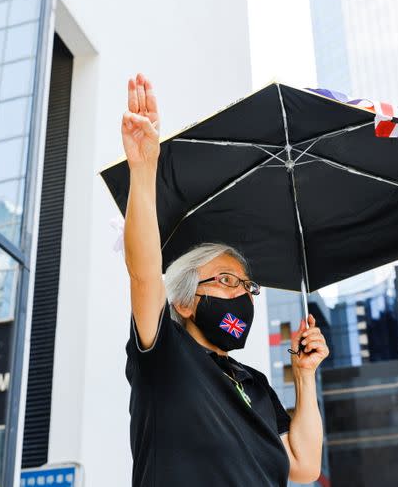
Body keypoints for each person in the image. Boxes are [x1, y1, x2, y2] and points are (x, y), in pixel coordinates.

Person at [121, 72, 329, 486]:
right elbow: (145, 274)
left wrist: (305, 375)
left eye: (246, 286)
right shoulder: (165, 356)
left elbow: (303, 466)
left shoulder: (255, 383)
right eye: (225, 281)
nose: (242, 294)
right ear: (183, 301)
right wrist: (143, 169)